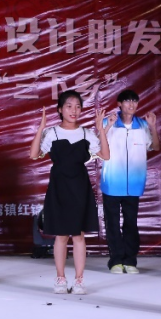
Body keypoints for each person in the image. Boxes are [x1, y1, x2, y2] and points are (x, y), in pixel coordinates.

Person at [29, 88, 109, 294]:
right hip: (59, 187)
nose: (74, 110)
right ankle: (60, 279)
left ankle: (79, 280)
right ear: (60, 109)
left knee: (79, 235)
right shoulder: (52, 133)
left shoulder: (86, 133)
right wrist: (41, 128)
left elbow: (105, 155)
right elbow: (34, 154)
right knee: (61, 235)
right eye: (69, 106)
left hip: (80, 187)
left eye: (78, 107)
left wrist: (101, 130)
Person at [100, 89, 159, 275]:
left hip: (134, 183)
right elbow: (97, 145)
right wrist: (107, 126)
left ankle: (130, 261)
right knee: (112, 223)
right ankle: (116, 261)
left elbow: (155, 146)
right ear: (119, 104)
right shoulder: (108, 122)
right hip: (112, 182)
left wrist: (153, 127)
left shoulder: (142, 125)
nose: (131, 104)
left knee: (131, 223)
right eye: (127, 101)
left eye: (134, 101)